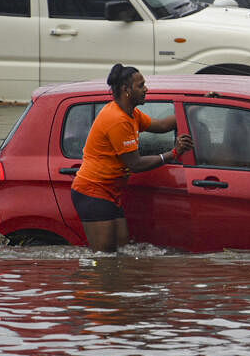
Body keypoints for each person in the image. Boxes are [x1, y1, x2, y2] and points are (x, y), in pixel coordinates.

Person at [70, 63, 193, 252]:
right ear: (126, 89)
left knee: (122, 250)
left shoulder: (131, 113)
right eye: (141, 86)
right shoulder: (117, 119)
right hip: (93, 191)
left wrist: (192, 110)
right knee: (105, 259)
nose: (146, 89)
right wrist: (173, 154)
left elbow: (160, 125)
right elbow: (135, 164)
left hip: (111, 193)